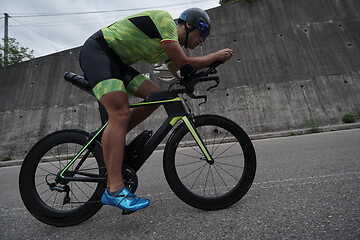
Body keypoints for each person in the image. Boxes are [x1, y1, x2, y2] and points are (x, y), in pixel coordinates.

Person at [79, 8, 234, 212]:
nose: (202, 41)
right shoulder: (165, 22)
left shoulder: (168, 47)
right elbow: (184, 62)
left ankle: (113, 136)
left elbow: (180, 72)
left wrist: (196, 78)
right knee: (120, 112)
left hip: (117, 63)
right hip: (98, 51)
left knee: (155, 96)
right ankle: (114, 190)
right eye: (202, 34)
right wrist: (215, 56)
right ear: (189, 25)